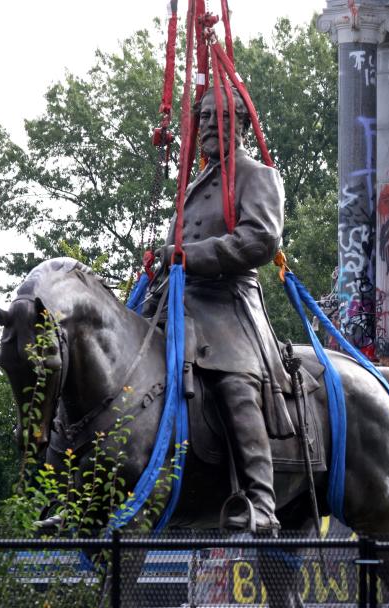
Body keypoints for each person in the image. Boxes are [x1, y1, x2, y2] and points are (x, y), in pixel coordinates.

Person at [144, 86, 290, 534]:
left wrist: (187, 256)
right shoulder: (194, 184)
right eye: (204, 117)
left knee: (233, 381)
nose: (208, 125)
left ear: (242, 124)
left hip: (228, 304)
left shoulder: (257, 175)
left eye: (220, 117)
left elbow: (260, 240)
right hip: (177, 300)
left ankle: (261, 499)